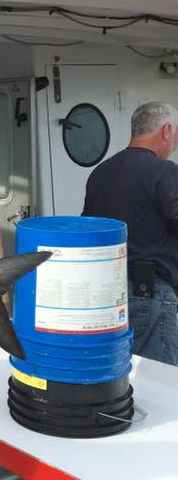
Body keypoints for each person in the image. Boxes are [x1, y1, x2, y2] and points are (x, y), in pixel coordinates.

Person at [82, 100, 178, 364]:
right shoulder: (163, 171)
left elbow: (89, 229)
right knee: (162, 381)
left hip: (108, 291)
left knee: (122, 373)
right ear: (167, 130)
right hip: (151, 292)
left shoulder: (100, 173)